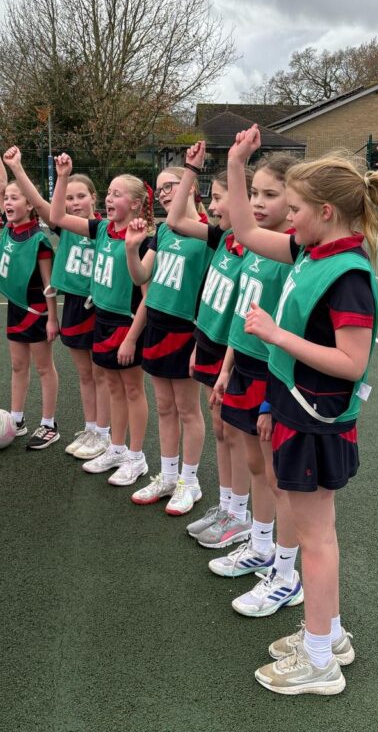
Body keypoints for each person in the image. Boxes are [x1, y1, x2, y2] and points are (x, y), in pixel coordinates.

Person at [226, 125, 378, 696]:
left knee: (316, 536)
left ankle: (320, 658)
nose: (286, 217)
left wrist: (276, 335)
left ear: (326, 211)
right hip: (297, 405)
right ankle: (332, 635)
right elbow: (247, 231)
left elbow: (351, 361)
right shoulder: (312, 249)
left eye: (294, 207)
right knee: (310, 527)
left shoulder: (348, 275)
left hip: (319, 414)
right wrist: (234, 162)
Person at [208, 151, 305, 621]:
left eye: (271, 193)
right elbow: (241, 316)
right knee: (253, 462)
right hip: (243, 365)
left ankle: (287, 572)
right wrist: (226, 368)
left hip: (272, 374)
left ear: (296, 199)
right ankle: (262, 546)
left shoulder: (289, 254)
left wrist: (270, 395)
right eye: (255, 193)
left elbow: (284, 333)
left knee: (275, 474)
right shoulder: (254, 248)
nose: (259, 202)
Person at [164, 143, 254, 548]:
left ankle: (240, 513)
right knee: (220, 429)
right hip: (211, 344)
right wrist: (191, 171)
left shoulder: (255, 248)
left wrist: (226, 364)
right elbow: (175, 219)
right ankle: (226, 506)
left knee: (236, 435)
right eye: (213, 197)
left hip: (234, 355)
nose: (215, 206)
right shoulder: (223, 240)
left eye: (220, 198)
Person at [1, 145, 111, 461]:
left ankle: (104, 433)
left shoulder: (103, 230)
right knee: (85, 374)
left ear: (94, 197)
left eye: (81, 197)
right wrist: (19, 169)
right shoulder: (65, 228)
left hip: (99, 306)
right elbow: (39, 203)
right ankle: (91, 427)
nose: (75, 203)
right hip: (75, 305)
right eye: (68, 199)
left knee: (101, 373)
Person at [50, 154, 151, 487]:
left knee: (133, 389)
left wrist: (132, 337)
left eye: (116, 194)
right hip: (103, 319)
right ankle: (117, 447)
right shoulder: (102, 230)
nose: (109, 198)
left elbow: (147, 296)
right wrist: (62, 176)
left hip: (127, 322)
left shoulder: (145, 241)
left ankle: (137, 457)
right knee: (113, 387)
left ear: (136, 204)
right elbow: (57, 216)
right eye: (107, 192)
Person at [125, 166, 213, 515]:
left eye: (170, 186)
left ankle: (190, 482)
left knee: (188, 409)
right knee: (164, 406)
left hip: (187, 329)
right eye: (159, 189)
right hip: (157, 327)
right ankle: (168, 475)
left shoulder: (209, 235)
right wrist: (132, 250)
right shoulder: (162, 232)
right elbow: (142, 277)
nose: (162, 193)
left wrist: (200, 340)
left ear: (191, 188)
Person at [0, 119, 59, 449]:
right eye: (6, 199)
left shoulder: (38, 240)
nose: (8, 201)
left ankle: (49, 423)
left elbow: (49, 284)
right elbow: (0, 180)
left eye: (16, 198)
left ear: (30, 204)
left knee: (44, 367)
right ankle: (17, 419)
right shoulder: (9, 226)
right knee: (18, 365)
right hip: (16, 306)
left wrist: (53, 319)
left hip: (38, 310)